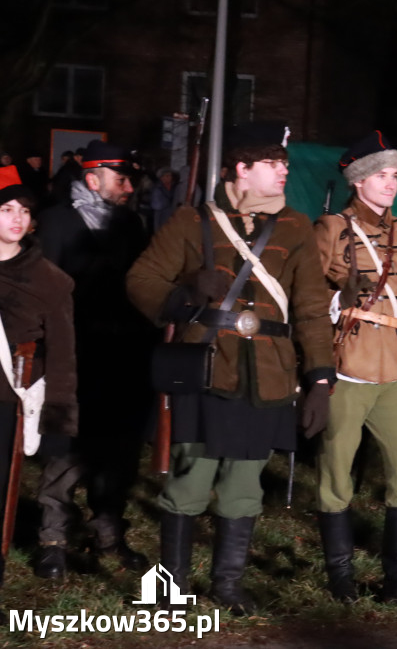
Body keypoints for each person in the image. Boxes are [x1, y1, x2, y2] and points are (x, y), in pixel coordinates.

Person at [126, 122, 335, 615]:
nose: (284, 171)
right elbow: (141, 279)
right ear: (242, 169)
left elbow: (309, 306)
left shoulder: (296, 227)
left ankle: (228, 586)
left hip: (270, 374)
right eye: (272, 163)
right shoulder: (191, 221)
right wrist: (180, 297)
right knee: (190, 481)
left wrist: (320, 377)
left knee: (244, 485)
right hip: (206, 369)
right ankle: (172, 589)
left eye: (285, 164)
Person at [312, 131, 397, 607]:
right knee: (337, 474)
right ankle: (340, 576)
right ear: (359, 179)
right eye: (382, 176)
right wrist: (335, 298)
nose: (391, 185)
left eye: (394, 176)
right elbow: (307, 296)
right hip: (347, 363)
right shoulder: (331, 227)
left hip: (394, 367)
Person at [34, 140, 154, 579]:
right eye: (121, 178)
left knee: (117, 452)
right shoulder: (55, 223)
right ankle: (53, 538)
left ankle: (108, 533)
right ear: (93, 178)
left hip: (124, 354)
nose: (127, 187)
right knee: (65, 448)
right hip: (74, 354)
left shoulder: (132, 226)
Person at [0, 167, 77, 588]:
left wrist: (61, 413)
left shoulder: (49, 280)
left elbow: (63, 354)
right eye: (7, 209)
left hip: (11, 400)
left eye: (25, 210)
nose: (17, 218)